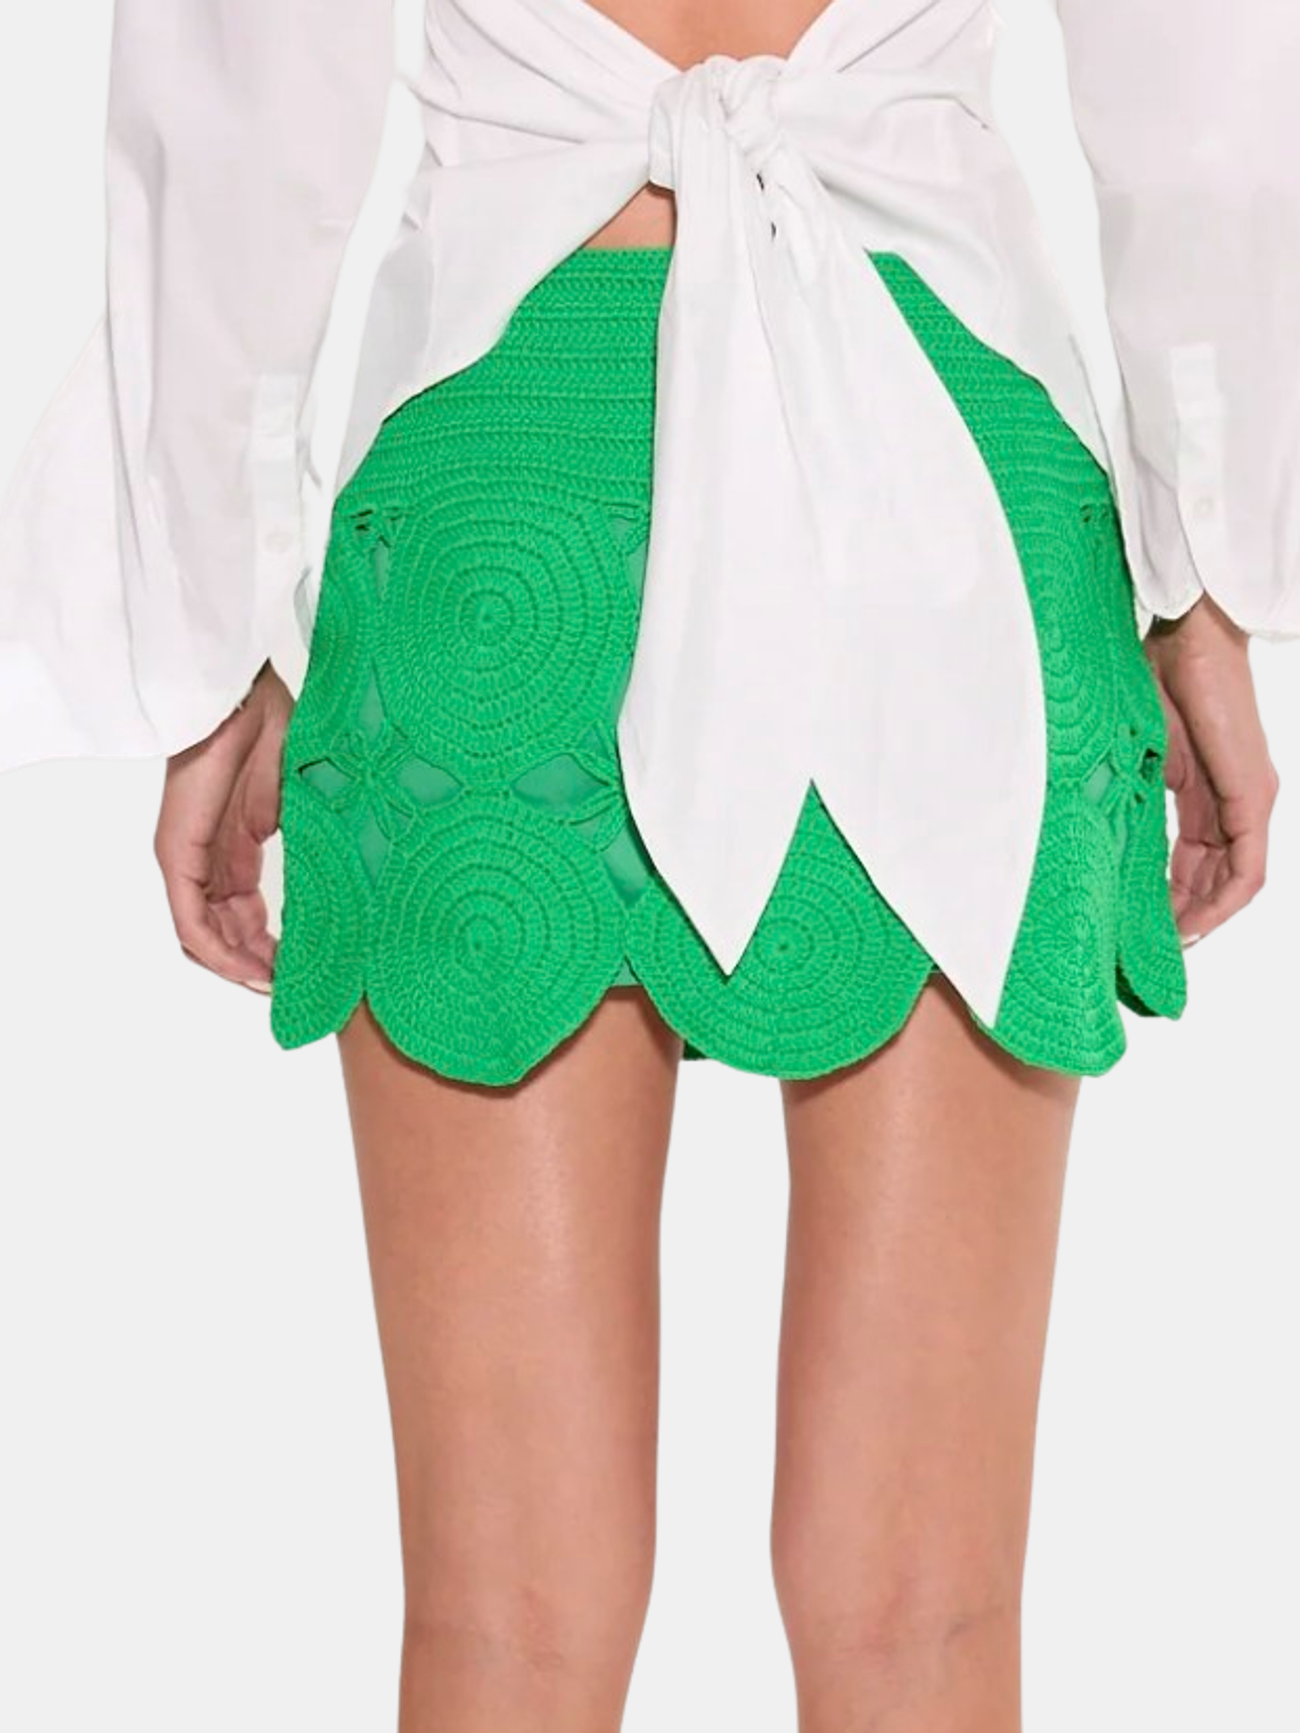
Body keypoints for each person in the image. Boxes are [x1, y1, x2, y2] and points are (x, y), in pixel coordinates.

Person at [1, 0, 1294, 1728]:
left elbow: (238, 104)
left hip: (500, 495)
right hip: (953, 502)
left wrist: (213, 618)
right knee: (923, 1621)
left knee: (505, 1629)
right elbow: (1207, 106)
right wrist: (1206, 576)